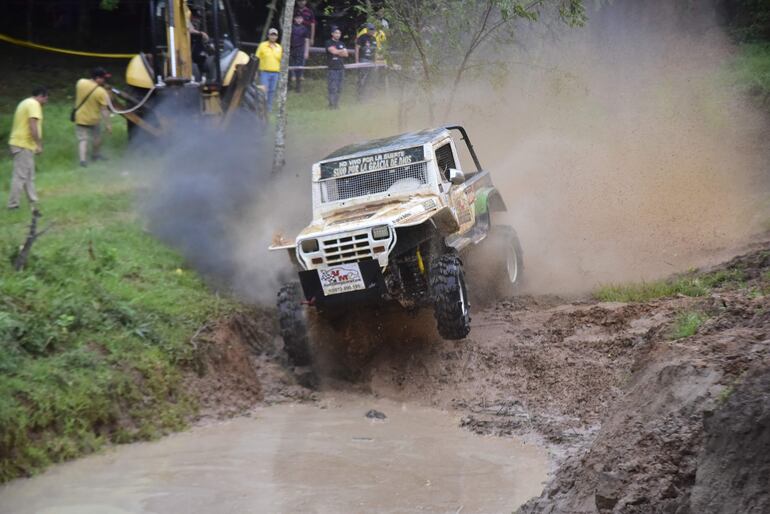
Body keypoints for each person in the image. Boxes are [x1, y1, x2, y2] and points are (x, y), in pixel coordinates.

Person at [7, 87, 48, 211]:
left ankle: (33, 201)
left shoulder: (25, 102)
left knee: (29, 176)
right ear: (41, 96)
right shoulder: (34, 104)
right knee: (20, 176)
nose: (45, 102)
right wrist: (38, 144)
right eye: (46, 99)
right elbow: (32, 124)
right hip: (23, 143)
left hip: (22, 143)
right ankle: (13, 205)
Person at [74, 67, 112, 168]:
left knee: (83, 140)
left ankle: (83, 161)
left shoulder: (80, 82)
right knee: (97, 138)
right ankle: (95, 155)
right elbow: (104, 110)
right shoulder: (101, 92)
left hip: (80, 118)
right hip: (94, 120)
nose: (105, 81)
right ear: (98, 78)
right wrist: (108, 124)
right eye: (104, 79)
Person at [256, 28, 282, 112]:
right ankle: (262, 108)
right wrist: (255, 71)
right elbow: (257, 58)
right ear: (268, 36)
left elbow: (282, 60)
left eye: (275, 35)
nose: (273, 36)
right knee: (264, 91)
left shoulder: (279, 47)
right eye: (271, 34)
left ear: (277, 37)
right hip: (264, 72)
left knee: (272, 91)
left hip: (276, 73)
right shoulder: (262, 45)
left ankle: (269, 109)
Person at [325, 27, 348, 109]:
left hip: (341, 68)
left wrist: (337, 51)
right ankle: (331, 105)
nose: (338, 35)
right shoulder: (328, 42)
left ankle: (337, 104)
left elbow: (346, 54)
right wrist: (340, 51)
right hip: (332, 68)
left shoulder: (342, 43)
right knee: (332, 87)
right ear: (332, 34)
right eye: (336, 33)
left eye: (339, 33)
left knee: (339, 88)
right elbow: (333, 51)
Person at [355, 23, 377, 100]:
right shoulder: (362, 37)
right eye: (371, 29)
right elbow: (357, 49)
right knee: (362, 78)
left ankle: (367, 97)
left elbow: (375, 51)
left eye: (373, 29)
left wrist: (375, 61)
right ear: (367, 29)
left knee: (370, 79)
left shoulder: (374, 39)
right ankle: (360, 97)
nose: (372, 31)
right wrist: (357, 61)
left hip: (371, 60)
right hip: (363, 59)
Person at [289, 13, 310, 92]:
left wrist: (306, 52)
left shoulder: (305, 29)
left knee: (299, 68)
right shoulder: (291, 27)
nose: (299, 20)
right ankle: (289, 85)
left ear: (302, 19)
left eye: (300, 18)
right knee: (290, 67)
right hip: (291, 49)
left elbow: (307, 40)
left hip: (300, 49)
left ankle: (298, 86)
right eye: (297, 18)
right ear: (294, 19)